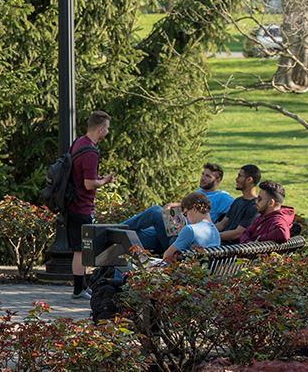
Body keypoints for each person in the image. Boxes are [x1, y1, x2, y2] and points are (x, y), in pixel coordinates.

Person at [120, 163, 235, 253]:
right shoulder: (199, 192)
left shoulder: (223, 197)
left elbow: (232, 213)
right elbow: (185, 205)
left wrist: (205, 230)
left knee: (156, 211)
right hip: (176, 231)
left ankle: (114, 228)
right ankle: (112, 235)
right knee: (136, 235)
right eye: (203, 174)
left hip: (186, 234)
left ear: (218, 180)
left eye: (208, 176)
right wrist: (174, 206)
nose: (203, 178)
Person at [69, 111, 115, 300]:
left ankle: (81, 287)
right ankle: (79, 290)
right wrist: (105, 180)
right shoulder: (91, 153)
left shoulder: (79, 143)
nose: (108, 132)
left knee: (79, 249)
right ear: (101, 128)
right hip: (82, 206)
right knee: (81, 249)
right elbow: (89, 183)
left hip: (73, 203)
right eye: (107, 128)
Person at [160, 192, 221, 263]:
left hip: (188, 272)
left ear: (194, 209)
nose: (186, 218)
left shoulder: (190, 229)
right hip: (206, 272)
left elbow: (167, 256)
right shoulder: (215, 232)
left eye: (186, 213)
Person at [218, 164, 262, 242]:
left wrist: (212, 237)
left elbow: (238, 233)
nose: (236, 179)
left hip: (232, 249)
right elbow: (222, 224)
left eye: (240, 176)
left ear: (249, 180)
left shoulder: (255, 206)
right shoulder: (238, 201)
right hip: (220, 244)